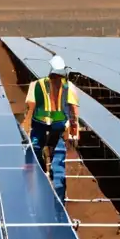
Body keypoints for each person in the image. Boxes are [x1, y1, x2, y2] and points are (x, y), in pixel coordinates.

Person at [22, 54, 80, 201]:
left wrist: (26, 123)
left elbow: (30, 106)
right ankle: (59, 195)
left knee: (35, 150)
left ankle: (40, 176)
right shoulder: (69, 86)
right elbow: (73, 110)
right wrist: (74, 127)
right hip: (58, 127)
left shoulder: (36, 85)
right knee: (58, 156)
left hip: (39, 124)